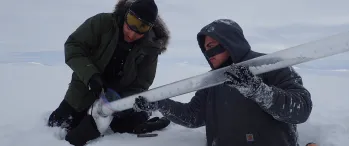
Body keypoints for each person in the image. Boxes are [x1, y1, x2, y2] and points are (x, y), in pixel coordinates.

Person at [133, 19, 313, 146]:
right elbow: (193, 116)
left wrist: (257, 90)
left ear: (230, 42)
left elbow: (301, 109)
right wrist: (159, 103)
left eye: (212, 46)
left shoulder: (270, 65)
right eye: (205, 49)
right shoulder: (213, 80)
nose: (208, 53)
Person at [47, 0, 170, 145]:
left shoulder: (151, 48)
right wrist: (90, 76)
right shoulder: (102, 23)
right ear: (126, 14)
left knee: (126, 125)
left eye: (141, 28)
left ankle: (144, 117)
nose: (131, 34)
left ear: (149, 29)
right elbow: (73, 46)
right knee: (56, 125)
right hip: (84, 91)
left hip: (117, 100)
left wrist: (116, 103)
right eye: (130, 23)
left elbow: (141, 84)